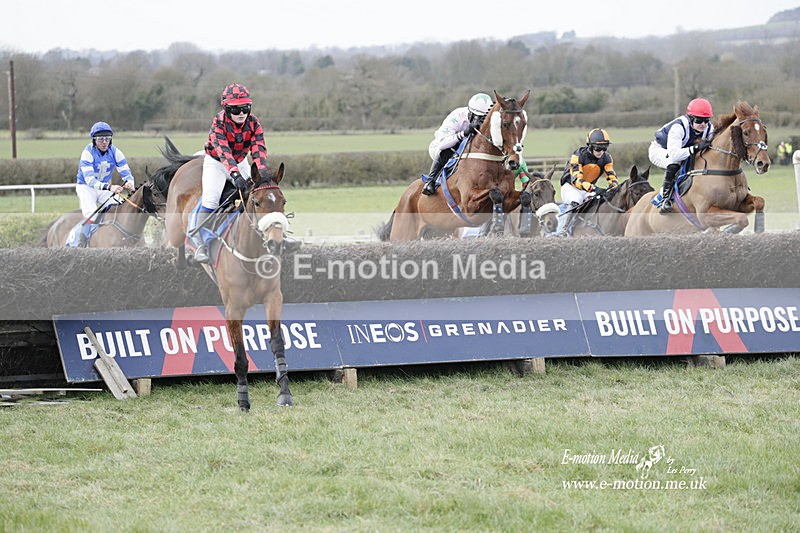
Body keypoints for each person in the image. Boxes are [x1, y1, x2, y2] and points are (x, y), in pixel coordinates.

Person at [189, 82, 298, 263]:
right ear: (226, 108)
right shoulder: (219, 123)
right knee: (211, 199)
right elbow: (224, 152)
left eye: (245, 108)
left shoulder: (254, 122)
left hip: (240, 162)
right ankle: (198, 242)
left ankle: (278, 237)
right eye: (236, 109)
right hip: (216, 163)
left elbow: (258, 149)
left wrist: (262, 175)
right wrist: (235, 175)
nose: (241, 113)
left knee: (262, 196)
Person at [65, 121, 135, 247]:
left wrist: (130, 183)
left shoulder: (116, 152)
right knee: (92, 214)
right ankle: (81, 243)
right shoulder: (87, 153)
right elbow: (90, 181)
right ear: (94, 140)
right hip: (86, 187)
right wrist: (110, 187)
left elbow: (126, 172)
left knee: (121, 207)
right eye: (101, 139)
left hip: (103, 187)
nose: (104, 142)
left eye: (107, 139)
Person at [649, 97, 714, 214]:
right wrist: (695, 148)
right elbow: (674, 155)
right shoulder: (678, 127)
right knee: (674, 164)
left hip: (682, 150)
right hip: (660, 150)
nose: (703, 124)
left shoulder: (709, 128)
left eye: (706, 120)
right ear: (690, 118)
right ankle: (665, 198)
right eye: (699, 120)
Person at [421, 92, 494, 196]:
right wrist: (463, 134)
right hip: (443, 148)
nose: (481, 121)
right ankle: (430, 181)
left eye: (484, 118)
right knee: (449, 147)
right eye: (479, 117)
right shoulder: (457, 116)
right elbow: (443, 144)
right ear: (471, 113)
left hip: (467, 151)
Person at [559, 128, 619, 207]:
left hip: (587, 189)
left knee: (598, 201)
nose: (601, 152)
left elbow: (612, 177)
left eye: (604, 149)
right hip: (570, 187)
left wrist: (614, 188)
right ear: (590, 147)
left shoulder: (607, 158)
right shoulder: (578, 155)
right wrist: (594, 188)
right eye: (598, 149)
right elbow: (576, 180)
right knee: (577, 199)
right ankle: (562, 218)